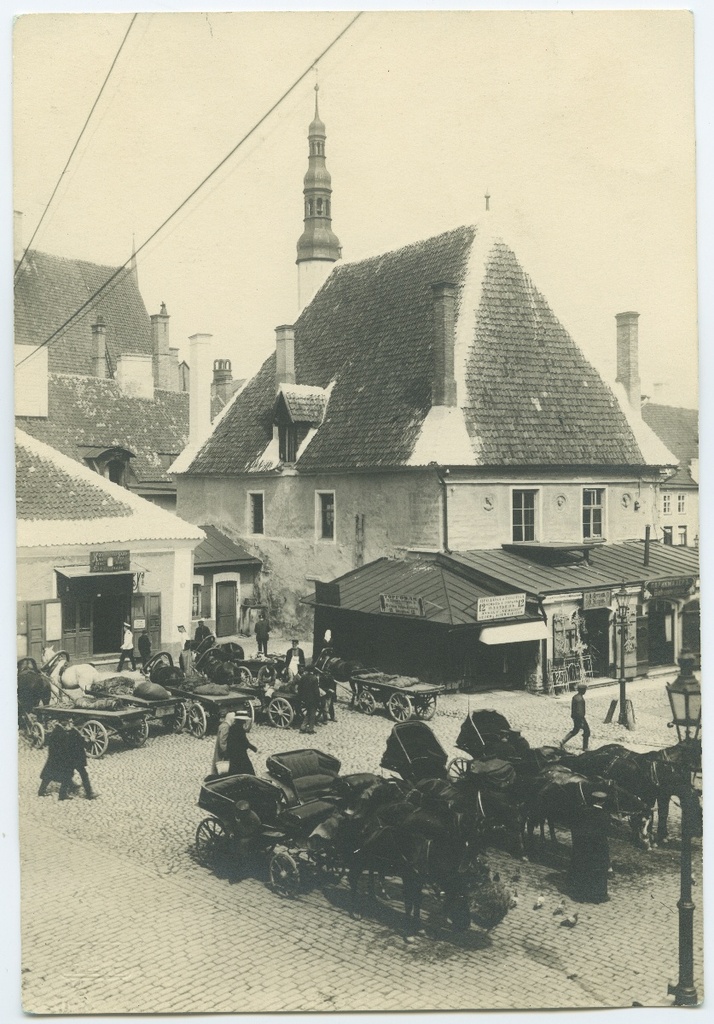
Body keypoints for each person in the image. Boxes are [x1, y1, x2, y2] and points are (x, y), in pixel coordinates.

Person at [568, 791, 610, 903]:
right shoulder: (605, 815)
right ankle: (598, 896)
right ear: (603, 802)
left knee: (584, 868)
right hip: (598, 848)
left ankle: (581, 894)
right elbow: (607, 831)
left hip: (584, 846)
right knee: (599, 870)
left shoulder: (584, 812)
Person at [561, 683, 590, 750]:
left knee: (575, 730)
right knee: (587, 731)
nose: (585, 691)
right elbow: (580, 711)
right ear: (582, 690)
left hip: (575, 717)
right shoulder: (580, 699)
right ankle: (585, 747)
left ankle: (563, 741)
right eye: (584, 690)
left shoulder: (575, 697)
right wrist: (582, 721)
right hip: (580, 718)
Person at [210, 710, 235, 775]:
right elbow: (222, 741)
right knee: (222, 767)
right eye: (234, 719)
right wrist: (225, 752)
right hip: (222, 752)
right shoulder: (226, 727)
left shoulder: (223, 725)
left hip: (219, 750)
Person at [298, 669, 321, 735]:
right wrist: (318, 699)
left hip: (305, 698)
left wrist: (301, 696)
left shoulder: (303, 677)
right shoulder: (314, 678)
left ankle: (303, 727)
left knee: (308, 712)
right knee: (312, 714)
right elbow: (316, 691)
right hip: (313, 699)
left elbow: (300, 688)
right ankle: (310, 729)